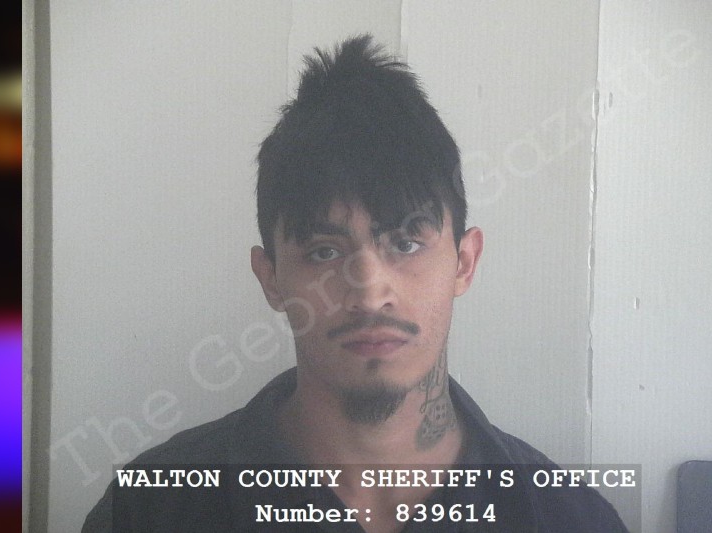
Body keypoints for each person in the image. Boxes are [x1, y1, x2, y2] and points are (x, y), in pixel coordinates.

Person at [83, 35, 628, 532]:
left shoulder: (569, 519)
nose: (370, 293)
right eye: (324, 251)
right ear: (271, 278)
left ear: (464, 262)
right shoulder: (149, 511)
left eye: (406, 242)